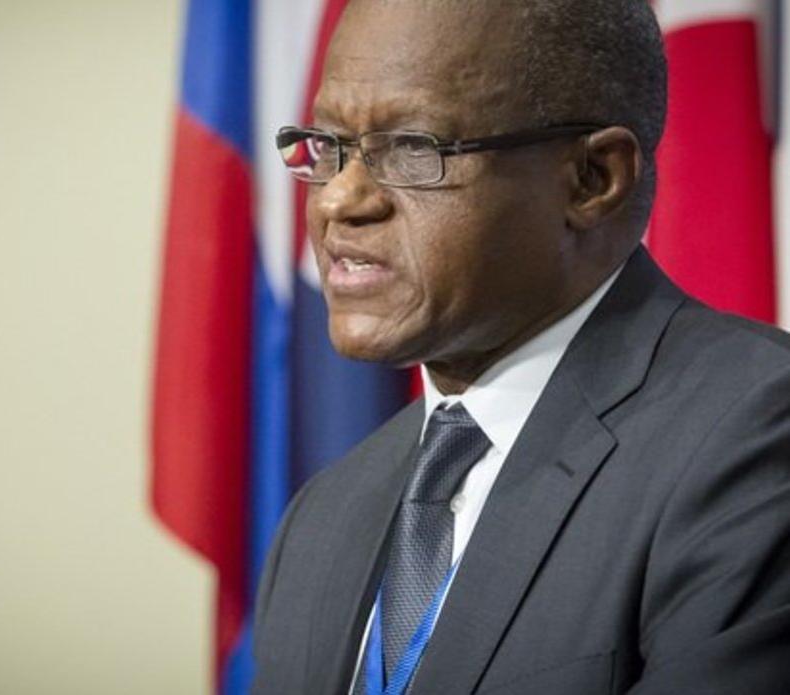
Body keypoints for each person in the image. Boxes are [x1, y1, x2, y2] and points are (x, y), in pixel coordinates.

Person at [251, 1, 790, 694]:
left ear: (592, 179)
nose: (338, 201)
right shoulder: (323, 516)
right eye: (328, 145)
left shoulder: (755, 439)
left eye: (412, 148)